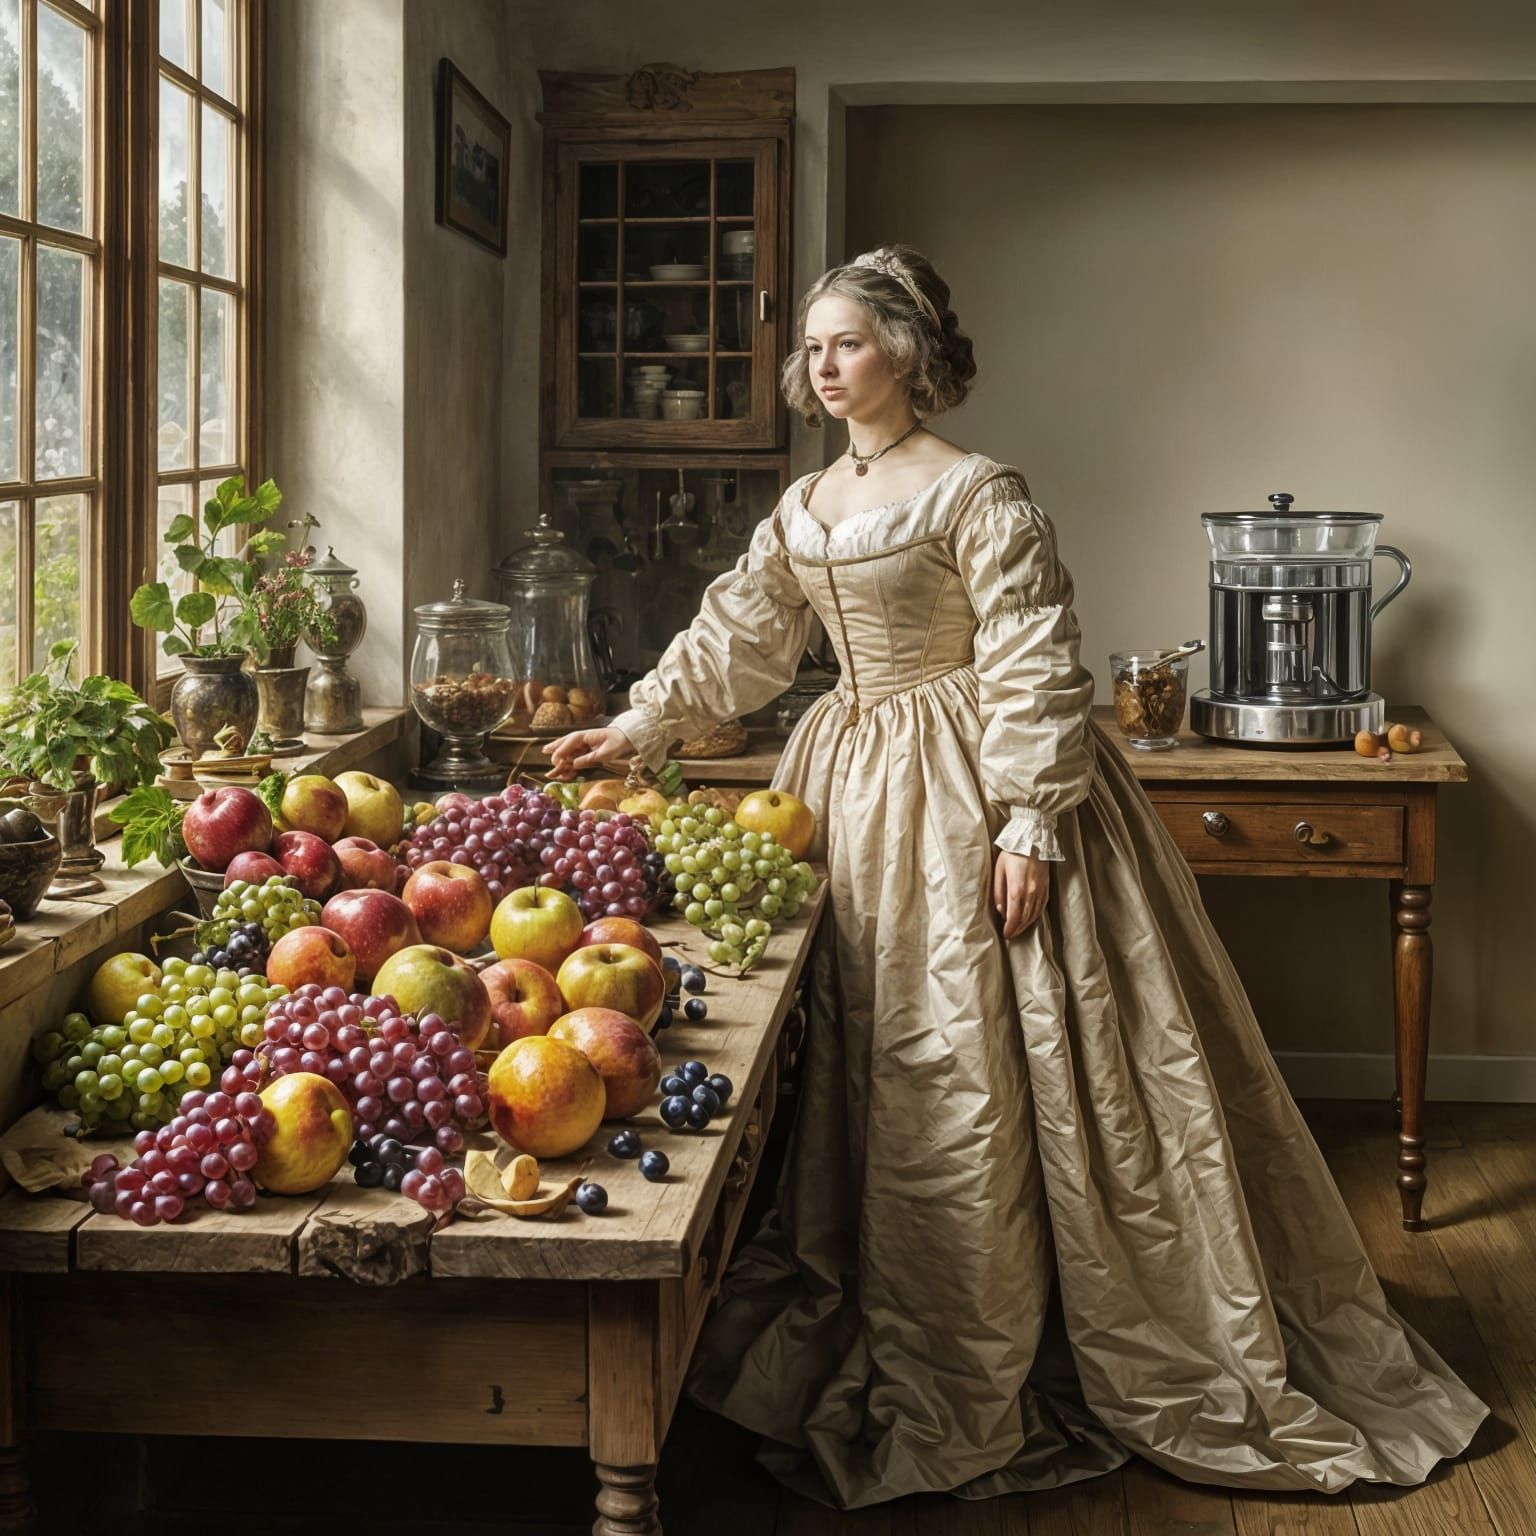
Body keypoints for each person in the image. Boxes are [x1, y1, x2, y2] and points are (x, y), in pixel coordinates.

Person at [544, 245, 1486, 1511]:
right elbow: (741, 636)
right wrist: (640, 722)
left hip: (968, 782)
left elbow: (1035, 654)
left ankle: (1016, 1314)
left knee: (985, 1046)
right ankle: (879, 1285)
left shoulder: (979, 493)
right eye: (813, 347)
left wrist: (1032, 820)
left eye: (848, 343)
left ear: (906, 354)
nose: (825, 367)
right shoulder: (807, 503)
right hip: (846, 783)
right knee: (865, 1044)